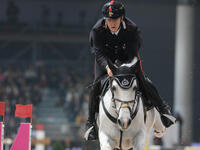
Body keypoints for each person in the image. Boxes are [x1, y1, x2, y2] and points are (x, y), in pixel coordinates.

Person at [85, 0, 176, 141]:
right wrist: (108, 67)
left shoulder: (132, 29)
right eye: (108, 20)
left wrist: (123, 69)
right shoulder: (97, 30)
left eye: (115, 19)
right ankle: (90, 124)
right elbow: (98, 53)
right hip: (106, 60)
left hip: (128, 58)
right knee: (96, 85)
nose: (112, 23)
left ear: (122, 18)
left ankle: (163, 110)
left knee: (143, 80)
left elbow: (133, 52)